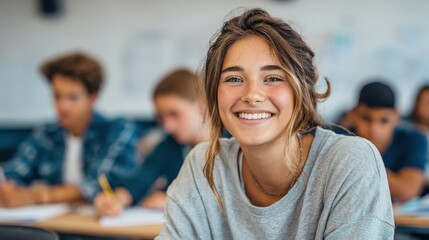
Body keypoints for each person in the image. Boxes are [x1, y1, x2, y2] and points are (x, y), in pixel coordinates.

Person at [156, 8, 394, 239]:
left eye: (273, 78)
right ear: (213, 94)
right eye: (234, 78)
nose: (252, 95)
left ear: (301, 90)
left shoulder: (349, 162)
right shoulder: (203, 165)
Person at [0, 52, 138, 207]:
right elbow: (16, 169)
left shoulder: (117, 130)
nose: (62, 106)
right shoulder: (47, 133)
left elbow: (96, 183)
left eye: (72, 97)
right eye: (57, 96)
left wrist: (37, 196)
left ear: (93, 97)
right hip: (56, 222)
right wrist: (8, 187)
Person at [94, 68, 210, 215]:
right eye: (161, 118)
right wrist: (115, 199)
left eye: (174, 114)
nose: (167, 126)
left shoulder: (233, 144)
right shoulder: (170, 146)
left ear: (202, 104)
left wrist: (176, 201)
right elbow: (137, 182)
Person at [352, 81, 427, 202]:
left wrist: (357, 167)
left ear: (397, 117)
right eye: (366, 119)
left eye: (384, 121)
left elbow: (408, 191)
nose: (374, 129)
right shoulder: (340, 137)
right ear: (353, 115)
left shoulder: (414, 139)